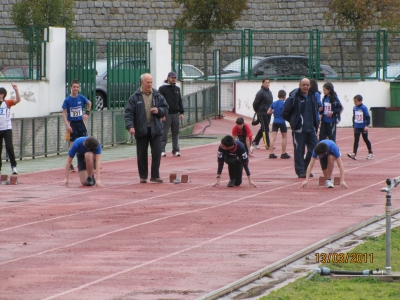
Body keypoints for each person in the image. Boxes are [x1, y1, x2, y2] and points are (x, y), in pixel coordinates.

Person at [124, 73, 169, 183]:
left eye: (151, 82)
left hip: (156, 129)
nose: (150, 84)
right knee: (142, 154)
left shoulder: (158, 95)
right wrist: (130, 126)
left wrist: (159, 111)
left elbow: (166, 108)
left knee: (157, 153)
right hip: (141, 130)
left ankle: (155, 175)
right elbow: (128, 113)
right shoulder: (134, 97)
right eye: (148, 82)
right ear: (142, 82)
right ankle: (143, 176)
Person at [281, 78, 320, 178]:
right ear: (299, 85)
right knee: (299, 150)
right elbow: (285, 113)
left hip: (311, 128)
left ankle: (306, 167)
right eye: (303, 85)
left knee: (315, 149)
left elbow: (315, 111)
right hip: (299, 129)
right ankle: (300, 171)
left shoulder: (312, 96)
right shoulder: (293, 98)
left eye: (307, 85)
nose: (305, 87)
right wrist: (294, 121)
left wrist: (316, 124)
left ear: (310, 86)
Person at [62, 79, 91, 173]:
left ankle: (89, 162)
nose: (75, 89)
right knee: (72, 144)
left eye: (77, 87)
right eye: (74, 87)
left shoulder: (81, 98)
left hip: (80, 123)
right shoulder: (67, 100)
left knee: (86, 142)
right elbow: (63, 113)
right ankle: (70, 164)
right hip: (72, 124)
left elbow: (89, 103)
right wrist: (67, 125)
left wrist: (87, 113)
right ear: (71, 87)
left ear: (79, 88)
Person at [159, 71, 184, 157]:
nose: (173, 79)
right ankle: (161, 150)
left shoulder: (177, 89)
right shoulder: (162, 89)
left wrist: (181, 112)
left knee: (176, 133)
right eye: (172, 78)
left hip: (175, 114)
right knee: (164, 133)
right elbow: (160, 102)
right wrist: (162, 114)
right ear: (168, 78)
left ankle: (176, 150)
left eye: (175, 78)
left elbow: (179, 100)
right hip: (166, 114)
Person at [0, 83, 21, 175]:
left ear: (2, 95)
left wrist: (16, 90)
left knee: (9, 147)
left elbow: (18, 100)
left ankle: (14, 166)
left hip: (7, 128)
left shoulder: (6, 103)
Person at [347, 94, 374, 160]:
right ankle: (354, 153)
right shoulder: (354, 108)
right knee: (356, 140)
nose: (355, 103)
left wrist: (367, 125)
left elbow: (367, 117)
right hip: (357, 126)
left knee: (365, 139)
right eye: (354, 102)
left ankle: (370, 152)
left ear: (360, 101)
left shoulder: (364, 108)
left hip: (363, 126)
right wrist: (353, 125)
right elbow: (354, 117)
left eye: (356, 102)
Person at [267, 90, 291, 159]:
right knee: (284, 137)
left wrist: (273, 112)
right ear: (284, 96)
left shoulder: (274, 103)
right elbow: (286, 112)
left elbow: (268, 112)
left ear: (278, 96)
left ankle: (271, 153)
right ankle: (283, 153)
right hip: (282, 121)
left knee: (273, 137)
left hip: (275, 121)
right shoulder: (284, 103)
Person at [252, 78, 273, 150]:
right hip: (262, 113)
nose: (267, 84)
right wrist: (258, 111)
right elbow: (255, 103)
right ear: (263, 83)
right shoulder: (260, 93)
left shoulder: (269, 92)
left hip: (268, 113)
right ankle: (268, 144)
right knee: (265, 128)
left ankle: (255, 142)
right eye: (266, 82)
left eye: (268, 82)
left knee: (263, 128)